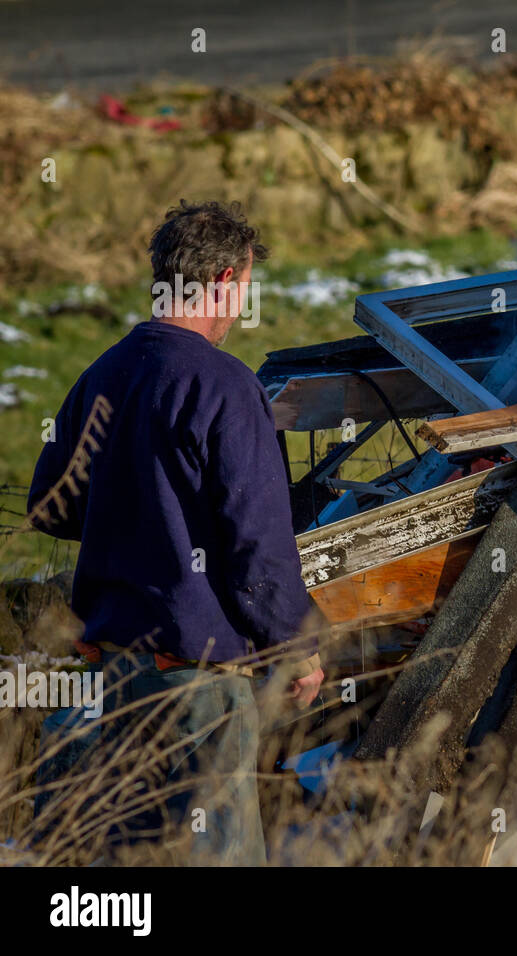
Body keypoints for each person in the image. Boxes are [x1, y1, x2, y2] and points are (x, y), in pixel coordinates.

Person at [27, 199, 325, 864]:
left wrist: (132, 505)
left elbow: (49, 506)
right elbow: (258, 544)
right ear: (224, 281)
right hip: (198, 683)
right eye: (247, 285)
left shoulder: (102, 374)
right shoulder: (225, 386)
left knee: (125, 869)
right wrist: (296, 645)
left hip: (111, 676)